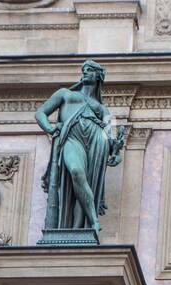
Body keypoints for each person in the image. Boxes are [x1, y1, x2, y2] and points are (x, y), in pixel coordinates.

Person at [36, 60, 126, 237]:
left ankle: (80, 228)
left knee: (87, 182)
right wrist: (49, 127)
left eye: (90, 70)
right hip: (71, 139)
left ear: (98, 76)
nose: (85, 72)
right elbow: (40, 113)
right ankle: (94, 219)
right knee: (76, 172)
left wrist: (115, 153)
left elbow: (113, 135)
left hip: (96, 142)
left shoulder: (102, 108)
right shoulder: (65, 94)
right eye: (84, 70)